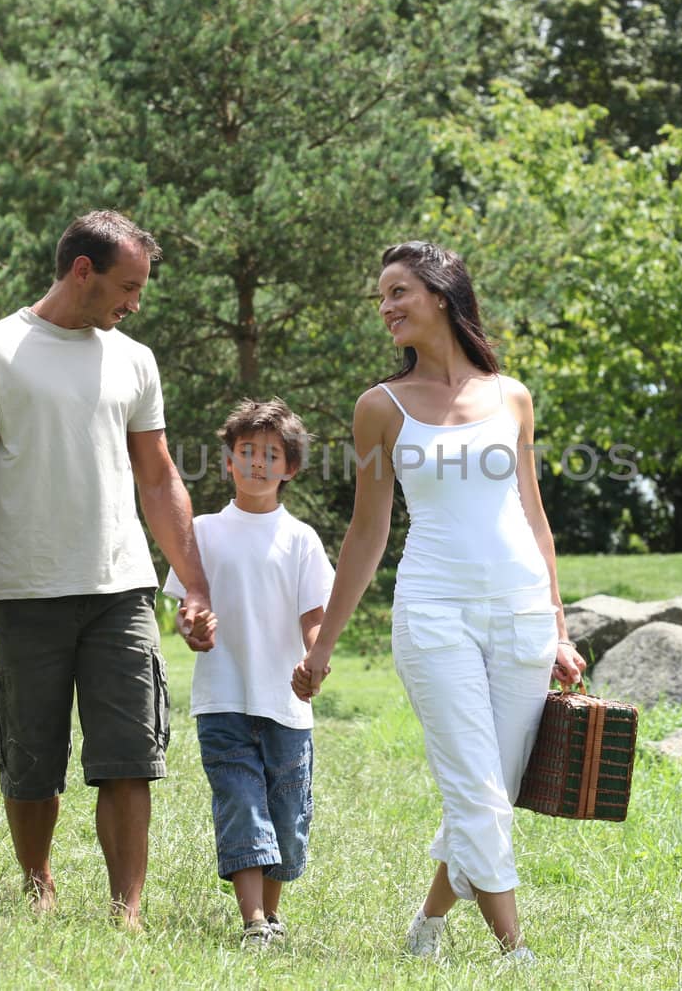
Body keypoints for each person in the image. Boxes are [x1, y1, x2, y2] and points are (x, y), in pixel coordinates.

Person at [292, 241, 586, 964]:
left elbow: (535, 517)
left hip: (519, 612)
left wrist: (559, 627)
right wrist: (324, 642)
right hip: (433, 614)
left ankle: (426, 925)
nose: (387, 307)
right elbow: (367, 531)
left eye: (399, 292)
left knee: (492, 788)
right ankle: (516, 952)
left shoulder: (511, 395)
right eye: (381, 297)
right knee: (477, 785)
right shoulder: (379, 408)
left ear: (442, 293)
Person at [0, 209, 216, 930]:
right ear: (81, 270)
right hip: (25, 590)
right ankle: (38, 884)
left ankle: (128, 913)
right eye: (127, 285)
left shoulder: (133, 358)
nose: (135, 302)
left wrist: (194, 582)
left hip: (121, 588)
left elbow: (159, 477)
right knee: (30, 763)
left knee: (130, 757)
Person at [162, 398, 334, 950]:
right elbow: (187, 611)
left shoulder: (301, 539)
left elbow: (315, 618)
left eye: (271, 454)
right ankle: (254, 921)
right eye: (247, 452)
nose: (258, 463)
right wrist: (193, 630)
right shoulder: (203, 533)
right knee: (240, 801)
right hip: (223, 697)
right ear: (228, 461)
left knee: (287, 813)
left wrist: (315, 659)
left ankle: (272, 916)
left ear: (291, 468)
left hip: (286, 704)